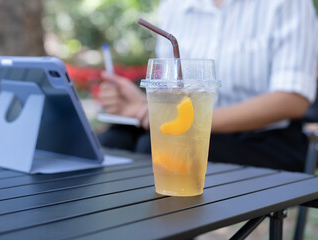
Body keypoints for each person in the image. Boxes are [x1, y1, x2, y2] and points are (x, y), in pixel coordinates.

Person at [98, 0, 318, 172]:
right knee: (111, 143)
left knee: (158, 150)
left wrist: (192, 120)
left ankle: (162, 229)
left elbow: (293, 99)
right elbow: (171, 86)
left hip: (267, 140)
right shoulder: (175, 5)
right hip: (186, 127)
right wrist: (140, 106)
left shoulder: (287, 3)